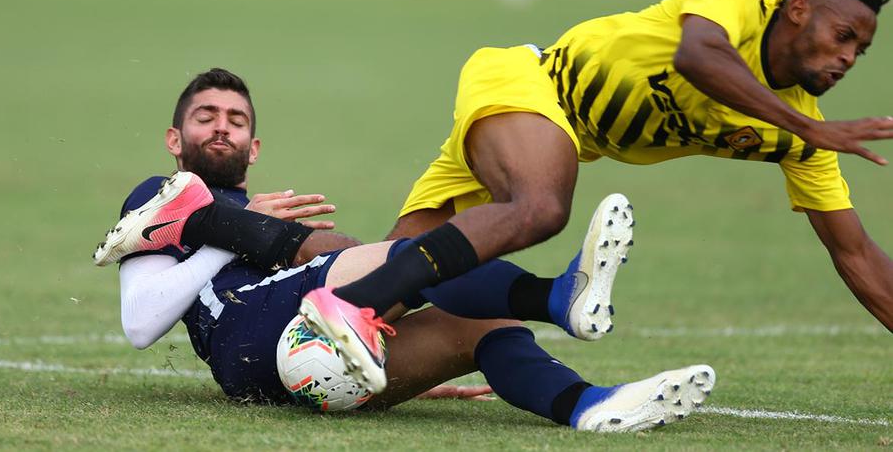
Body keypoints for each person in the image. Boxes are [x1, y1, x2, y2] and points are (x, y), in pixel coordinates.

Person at [295, 0, 893, 387]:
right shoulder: (742, 3)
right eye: (842, 35)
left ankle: (294, 304)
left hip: (548, 135)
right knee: (541, 209)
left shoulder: (800, 136)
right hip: (529, 82)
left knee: (399, 270)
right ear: (795, 10)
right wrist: (810, 127)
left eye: (859, 50)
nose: (847, 58)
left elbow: (857, 254)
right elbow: (698, 55)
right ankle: (352, 301)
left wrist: (807, 130)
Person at [93, 68, 716, 431]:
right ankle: (556, 298)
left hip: (298, 365)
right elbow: (141, 323)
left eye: (236, 118)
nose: (222, 125)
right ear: (176, 138)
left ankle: (589, 407)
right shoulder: (162, 193)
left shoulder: (260, 208)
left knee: (476, 327)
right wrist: (227, 236)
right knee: (404, 258)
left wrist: (413, 377)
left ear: (254, 148)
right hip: (246, 340)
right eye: (205, 116)